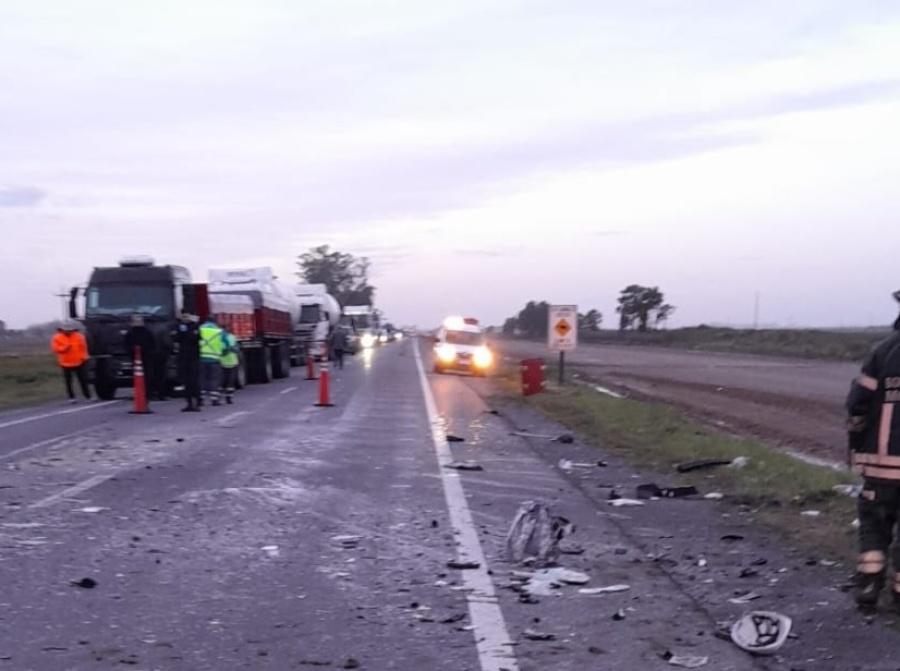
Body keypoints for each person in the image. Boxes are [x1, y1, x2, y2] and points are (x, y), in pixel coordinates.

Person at [846, 290, 900, 611]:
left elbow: (857, 405)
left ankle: (868, 585)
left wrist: (856, 443)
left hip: (880, 466)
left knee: (873, 523)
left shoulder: (883, 352)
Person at [124, 313, 164, 401]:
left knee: (148, 376)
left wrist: (149, 352)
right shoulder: (130, 333)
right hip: (135, 358)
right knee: (136, 376)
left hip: (147, 357)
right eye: (135, 321)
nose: (137, 322)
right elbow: (126, 345)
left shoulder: (147, 332)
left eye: (139, 321)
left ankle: (149, 393)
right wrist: (131, 352)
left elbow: (152, 344)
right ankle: (139, 394)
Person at [50, 321, 92, 403]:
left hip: (80, 361)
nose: (68, 331)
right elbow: (55, 349)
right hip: (66, 362)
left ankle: (88, 396)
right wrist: (64, 348)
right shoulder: (57, 338)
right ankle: (71, 397)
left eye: (70, 330)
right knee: (68, 381)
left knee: (83, 380)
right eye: (66, 330)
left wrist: (85, 357)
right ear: (62, 330)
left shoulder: (79, 337)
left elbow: (84, 348)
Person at [173, 311, 201, 412]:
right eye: (183, 317)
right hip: (183, 357)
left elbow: (196, 338)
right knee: (186, 382)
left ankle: (197, 402)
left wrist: (185, 332)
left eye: (187, 316)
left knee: (194, 381)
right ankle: (188, 403)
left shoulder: (194, 326)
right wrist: (180, 333)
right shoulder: (179, 326)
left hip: (194, 357)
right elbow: (175, 338)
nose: (185, 318)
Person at [198, 314, 226, 407]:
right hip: (214, 359)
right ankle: (214, 399)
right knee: (214, 379)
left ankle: (201, 399)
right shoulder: (219, 331)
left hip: (201, 358)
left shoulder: (200, 329)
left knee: (202, 379)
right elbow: (225, 346)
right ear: (215, 322)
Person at [219, 320, 240, 404]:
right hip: (226, 361)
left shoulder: (231, 337)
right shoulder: (225, 338)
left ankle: (228, 397)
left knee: (229, 382)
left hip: (229, 361)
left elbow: (237, 348)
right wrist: (229, 349)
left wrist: (232, 349)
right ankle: (226, 397)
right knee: (225, 382)